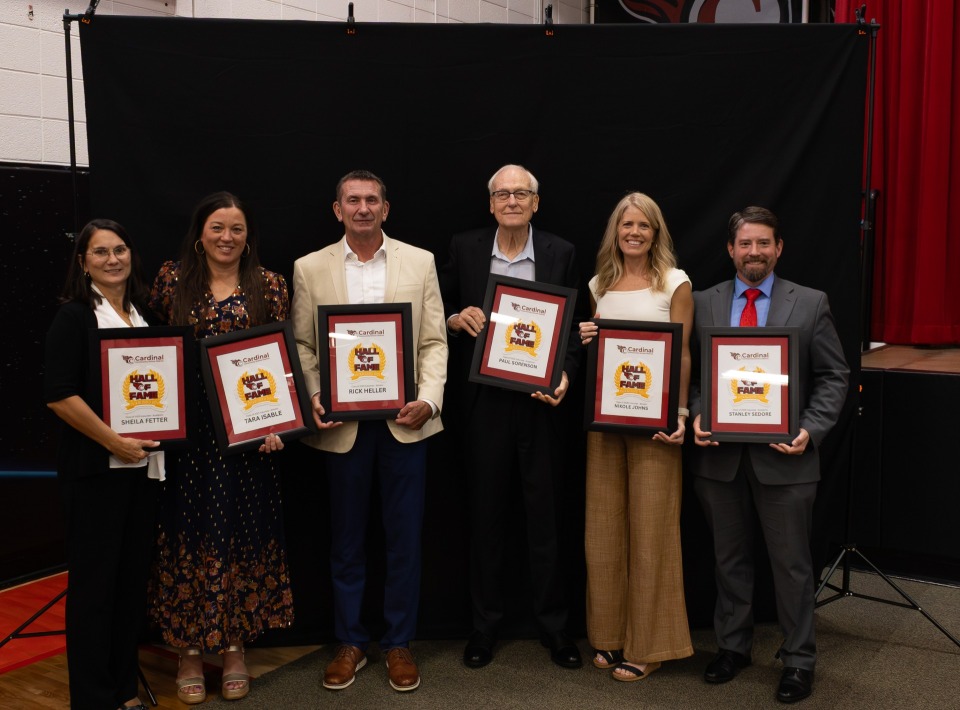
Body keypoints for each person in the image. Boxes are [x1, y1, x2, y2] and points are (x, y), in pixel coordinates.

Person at [291, 170, 447, 693]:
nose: (362, 208)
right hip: (342, 429)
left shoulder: (419, 261)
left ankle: (398, 643)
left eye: (371, 200)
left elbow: (433, 343)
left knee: (404, 541)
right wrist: (314, 395)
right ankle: (351, 642)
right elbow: (304, 346)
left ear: (386, 207)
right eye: (352, 200)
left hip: (405, 424)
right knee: (346, 542)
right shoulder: (309, 268)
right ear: (337, 209)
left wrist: (428, 398)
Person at [689, 206, 849, 704]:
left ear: (779, 248)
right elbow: (692, 377)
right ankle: (733, 648)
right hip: (719, 458)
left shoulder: (811, 302)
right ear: (730, 250)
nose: (753, 252)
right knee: (727, 561)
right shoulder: (702, 302)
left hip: (787, 457)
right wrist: (697, 413)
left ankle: (799, 660)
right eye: (744, 244)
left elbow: (834, 376)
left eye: (763, 243)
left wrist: (810, 429)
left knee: (793, 567)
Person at [147, 191, 294, 704]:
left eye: (236, 228)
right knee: (188, 535)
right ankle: (189, 650)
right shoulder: (171, 281)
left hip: (249, 440)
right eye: (217, 227)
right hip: (188, 440)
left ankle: (234, 647)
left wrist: (280, 421)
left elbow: (282, 363)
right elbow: (151, 352)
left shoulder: (270, 286)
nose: (227, 237)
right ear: (199, 233)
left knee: (240, 534)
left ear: (248, 235)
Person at [439, 164, 583, 670]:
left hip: (542, 407)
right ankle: (485, 628)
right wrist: (457, 319)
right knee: (487, 519)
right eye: (503, 193)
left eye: (521, 193)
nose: (512, 200)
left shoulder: (561, 252)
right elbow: (440, 307)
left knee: (546, 520)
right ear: (491, 203)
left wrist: (564, 374)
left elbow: (570, 332)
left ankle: (556, 629)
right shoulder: (465, 247)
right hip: (485, 406)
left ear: (536, 203)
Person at [577, 193, 694, 681]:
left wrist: (682, 413)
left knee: (652, 534)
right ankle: (609, 636)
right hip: (607, 422)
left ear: (656, 232)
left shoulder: (675, 282)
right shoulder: (597, 283)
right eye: (627, 224)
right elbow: (601, 354)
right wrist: (587, 336)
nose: (634, 233)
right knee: (603, 531)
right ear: (616, 231)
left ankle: (649, 645)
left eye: (644, 226)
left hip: (657, 426)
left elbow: (683, 353)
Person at [44, 219, 161, 710]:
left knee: (129, 587)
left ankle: (122, 691)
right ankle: (93, 699)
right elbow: (59, 396)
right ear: (83, 261)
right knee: (94, 593)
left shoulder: (144, 314)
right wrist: (115, 441)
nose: (112, 259)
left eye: (120, 250)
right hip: (97, 473)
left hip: (144, 472)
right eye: (100, 252)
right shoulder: (73, 317)